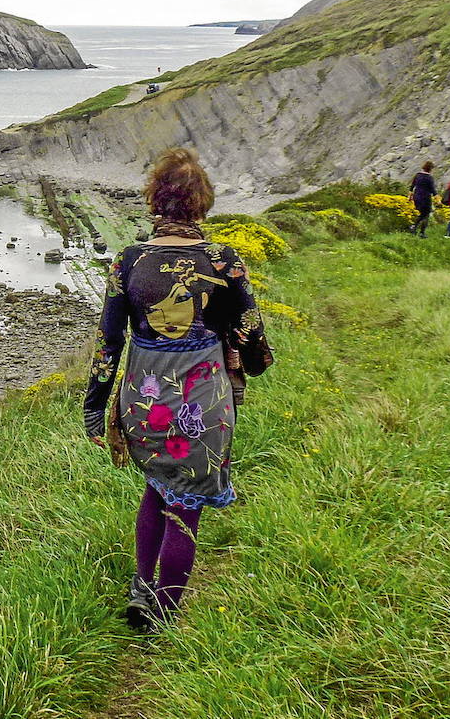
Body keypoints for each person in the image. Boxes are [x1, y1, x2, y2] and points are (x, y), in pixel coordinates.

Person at [83, 147, 273, 633]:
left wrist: (94, 407)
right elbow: (249, 327)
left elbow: (108, 341)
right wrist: (253, 361)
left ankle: (142, 587)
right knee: (185, 502)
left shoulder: (129, 261)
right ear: (201, 203)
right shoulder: (222, 260)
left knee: (156, 488)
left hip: (142, 399)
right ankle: (163, 614)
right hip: (202, 400)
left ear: (156, 200)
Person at [408, 161, 437, 238]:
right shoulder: (429, 178)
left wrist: (410, 196)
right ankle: (421, 232)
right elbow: (432, 190)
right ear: (430, 169)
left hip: (417, 197)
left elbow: (412, 186)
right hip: (425, 198)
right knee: (426, 215)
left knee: (422, 213)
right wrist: (437, 198)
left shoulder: (417, 175)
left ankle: (414, 227)